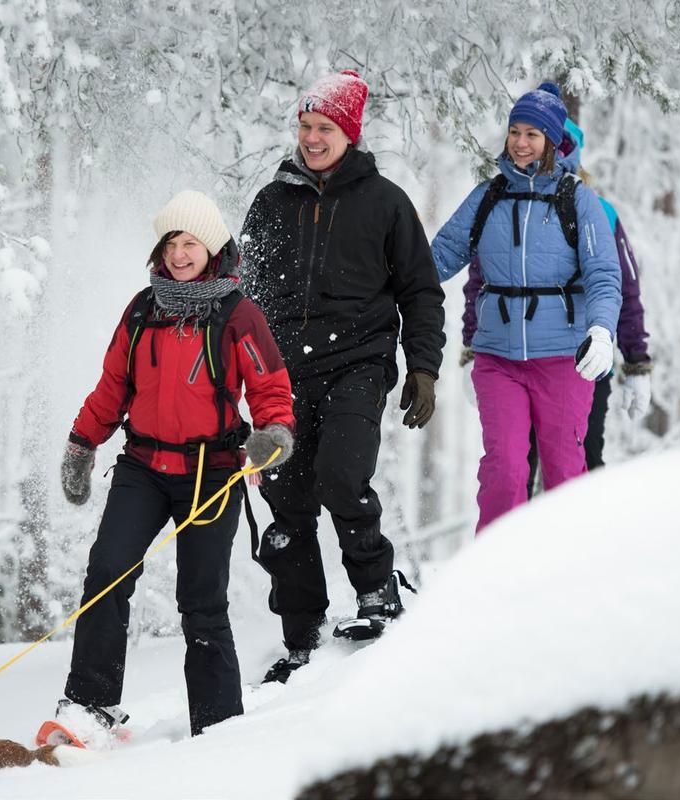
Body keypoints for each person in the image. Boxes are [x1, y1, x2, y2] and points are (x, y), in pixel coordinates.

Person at [57, 190, 295, 739]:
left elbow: (270, 389)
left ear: (212, 248)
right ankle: (89, 707)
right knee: (106, 576)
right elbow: (113, 387)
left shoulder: (238, 315)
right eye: (170, 242)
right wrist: (81, 443)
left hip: (211, 472)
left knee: (201, 601)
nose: (179, 253)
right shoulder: (142, 309)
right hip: (141, 468)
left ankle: (216, 727)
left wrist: (271, 437)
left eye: (190, 242)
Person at [241, 70, 446, 684]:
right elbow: (242, 295)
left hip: (359, 360)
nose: (310, 138)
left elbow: (421, 289)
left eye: (323, 128)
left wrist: (424, 367)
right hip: (281, 372)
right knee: (285, 494)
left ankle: (377, 588)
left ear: (349, 133)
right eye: (304, 127)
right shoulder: (274, 200)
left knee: (339, 474)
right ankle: (301, 629)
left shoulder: (384, 201)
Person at [433, 84, 622, 533]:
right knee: (504, 471)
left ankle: (565, 577)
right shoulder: (488, 197)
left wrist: (601, 330)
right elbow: (436, 258)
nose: (520, 142)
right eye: (515, 131)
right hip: (498, 359)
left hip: (562, 359)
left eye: (533, 134)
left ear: (552, 142)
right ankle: (494, 579)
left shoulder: (578, 200)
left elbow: (603, 275)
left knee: (563, 474)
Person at [460, 113, 653, 495]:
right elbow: (482, 281)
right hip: (511, 357)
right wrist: (471, 346)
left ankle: (580, 551)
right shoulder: (503, 203)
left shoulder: (596, 209)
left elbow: (622, 287)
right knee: (514, 464)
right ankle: (525, 552)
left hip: (580, 359)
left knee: (579, 465)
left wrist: (637, 362)